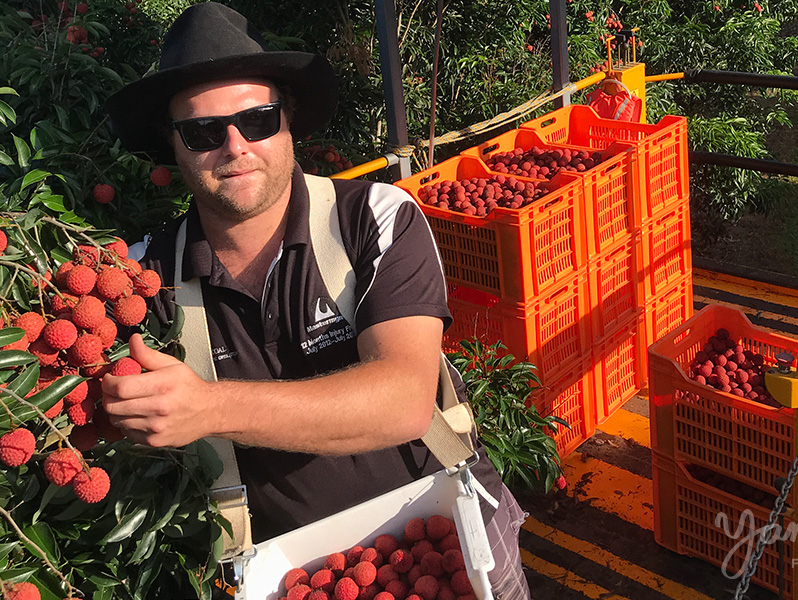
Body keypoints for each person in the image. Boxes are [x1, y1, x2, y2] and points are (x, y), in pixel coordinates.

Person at [101, 3, 529, 598]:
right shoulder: (144, 275)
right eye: (202, 131)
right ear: (171, 145)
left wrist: (208, 407)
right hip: (299, 574)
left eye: (257, 119)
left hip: (445, 540)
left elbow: (404, 400)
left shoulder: (375, 219)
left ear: (289, 119)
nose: (234, 145)